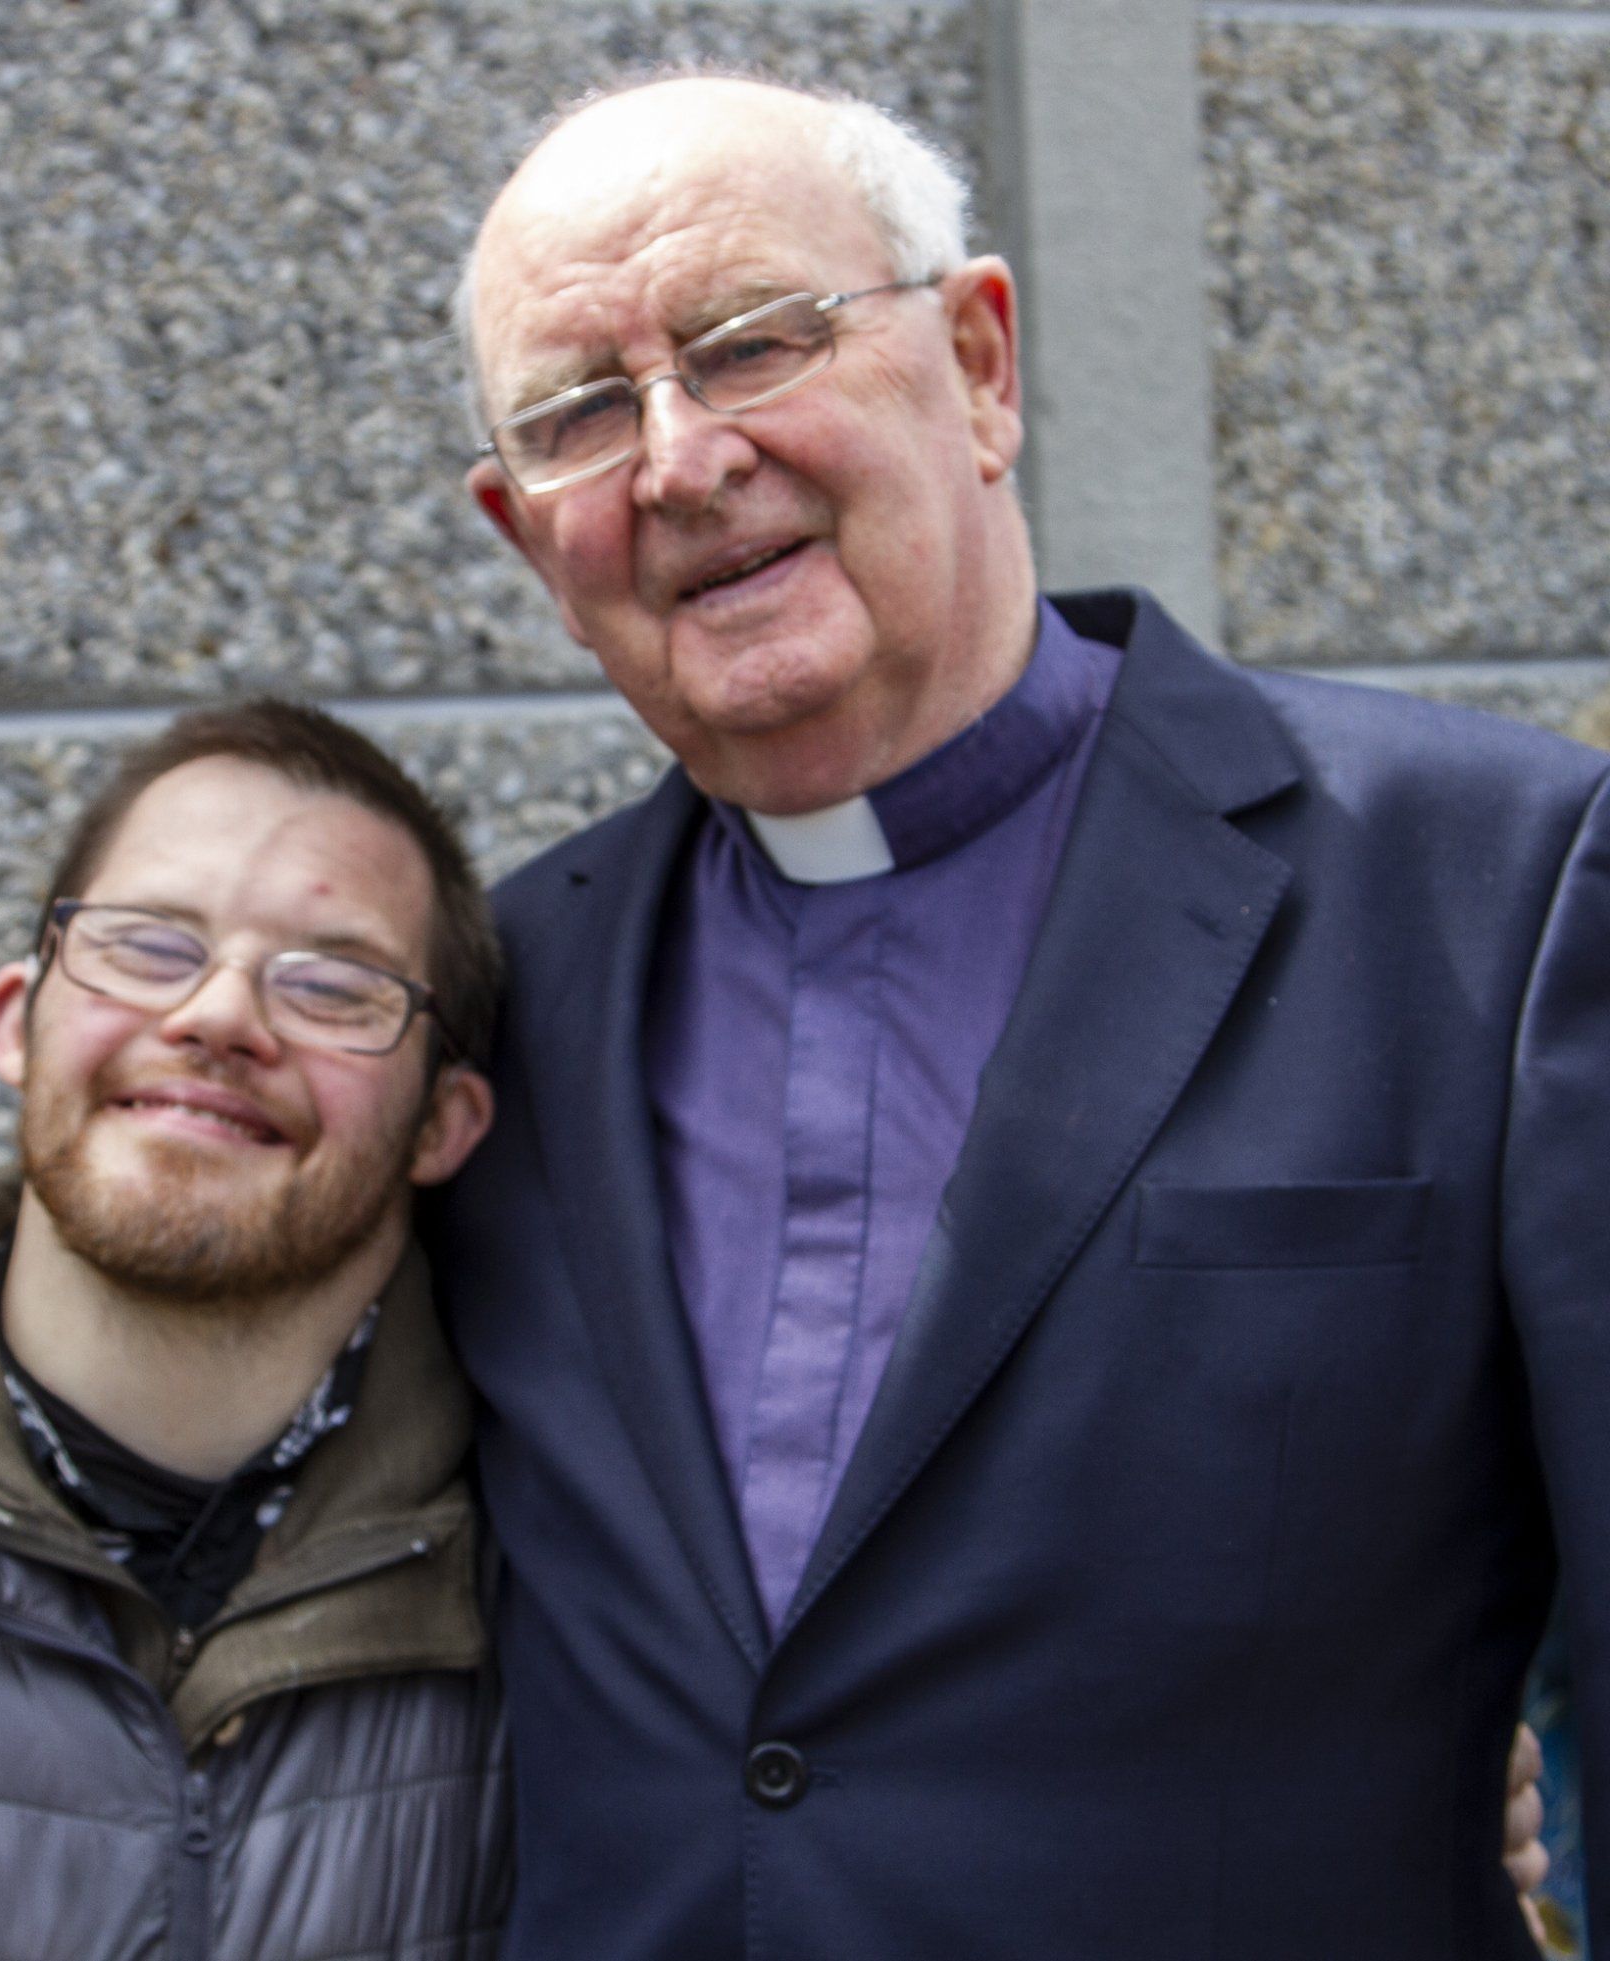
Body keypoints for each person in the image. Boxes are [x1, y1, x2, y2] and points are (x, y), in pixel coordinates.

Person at [437, 74, 1609, 1957]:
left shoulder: (1487, 887)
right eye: (582, 412)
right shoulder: (494, 1005)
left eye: (751, 345)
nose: (678, 459)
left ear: (979, 365)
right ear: (525, 536)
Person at [0, 701, 509, 1955]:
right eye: (147, 945)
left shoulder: (558, 1579)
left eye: (334, 982)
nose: (221, 1014)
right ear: (18, 1019)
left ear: (444, 1122)